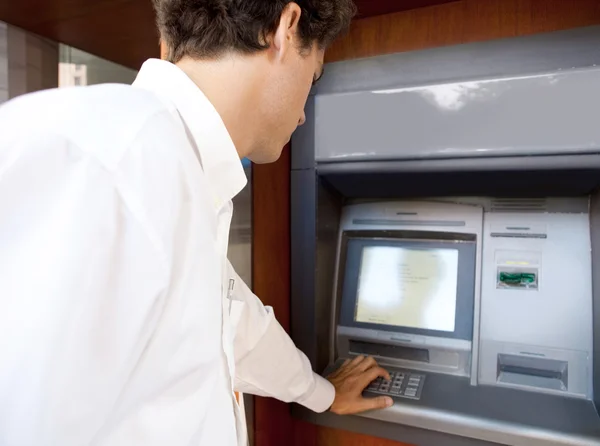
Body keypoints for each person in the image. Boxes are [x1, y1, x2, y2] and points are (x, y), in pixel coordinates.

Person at [0, 1, 392, 445]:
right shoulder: (116, 163)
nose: (303, 113)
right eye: (314, 75)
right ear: (285, 28)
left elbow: (233, 321)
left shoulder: (173, 166)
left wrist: (321, 393)